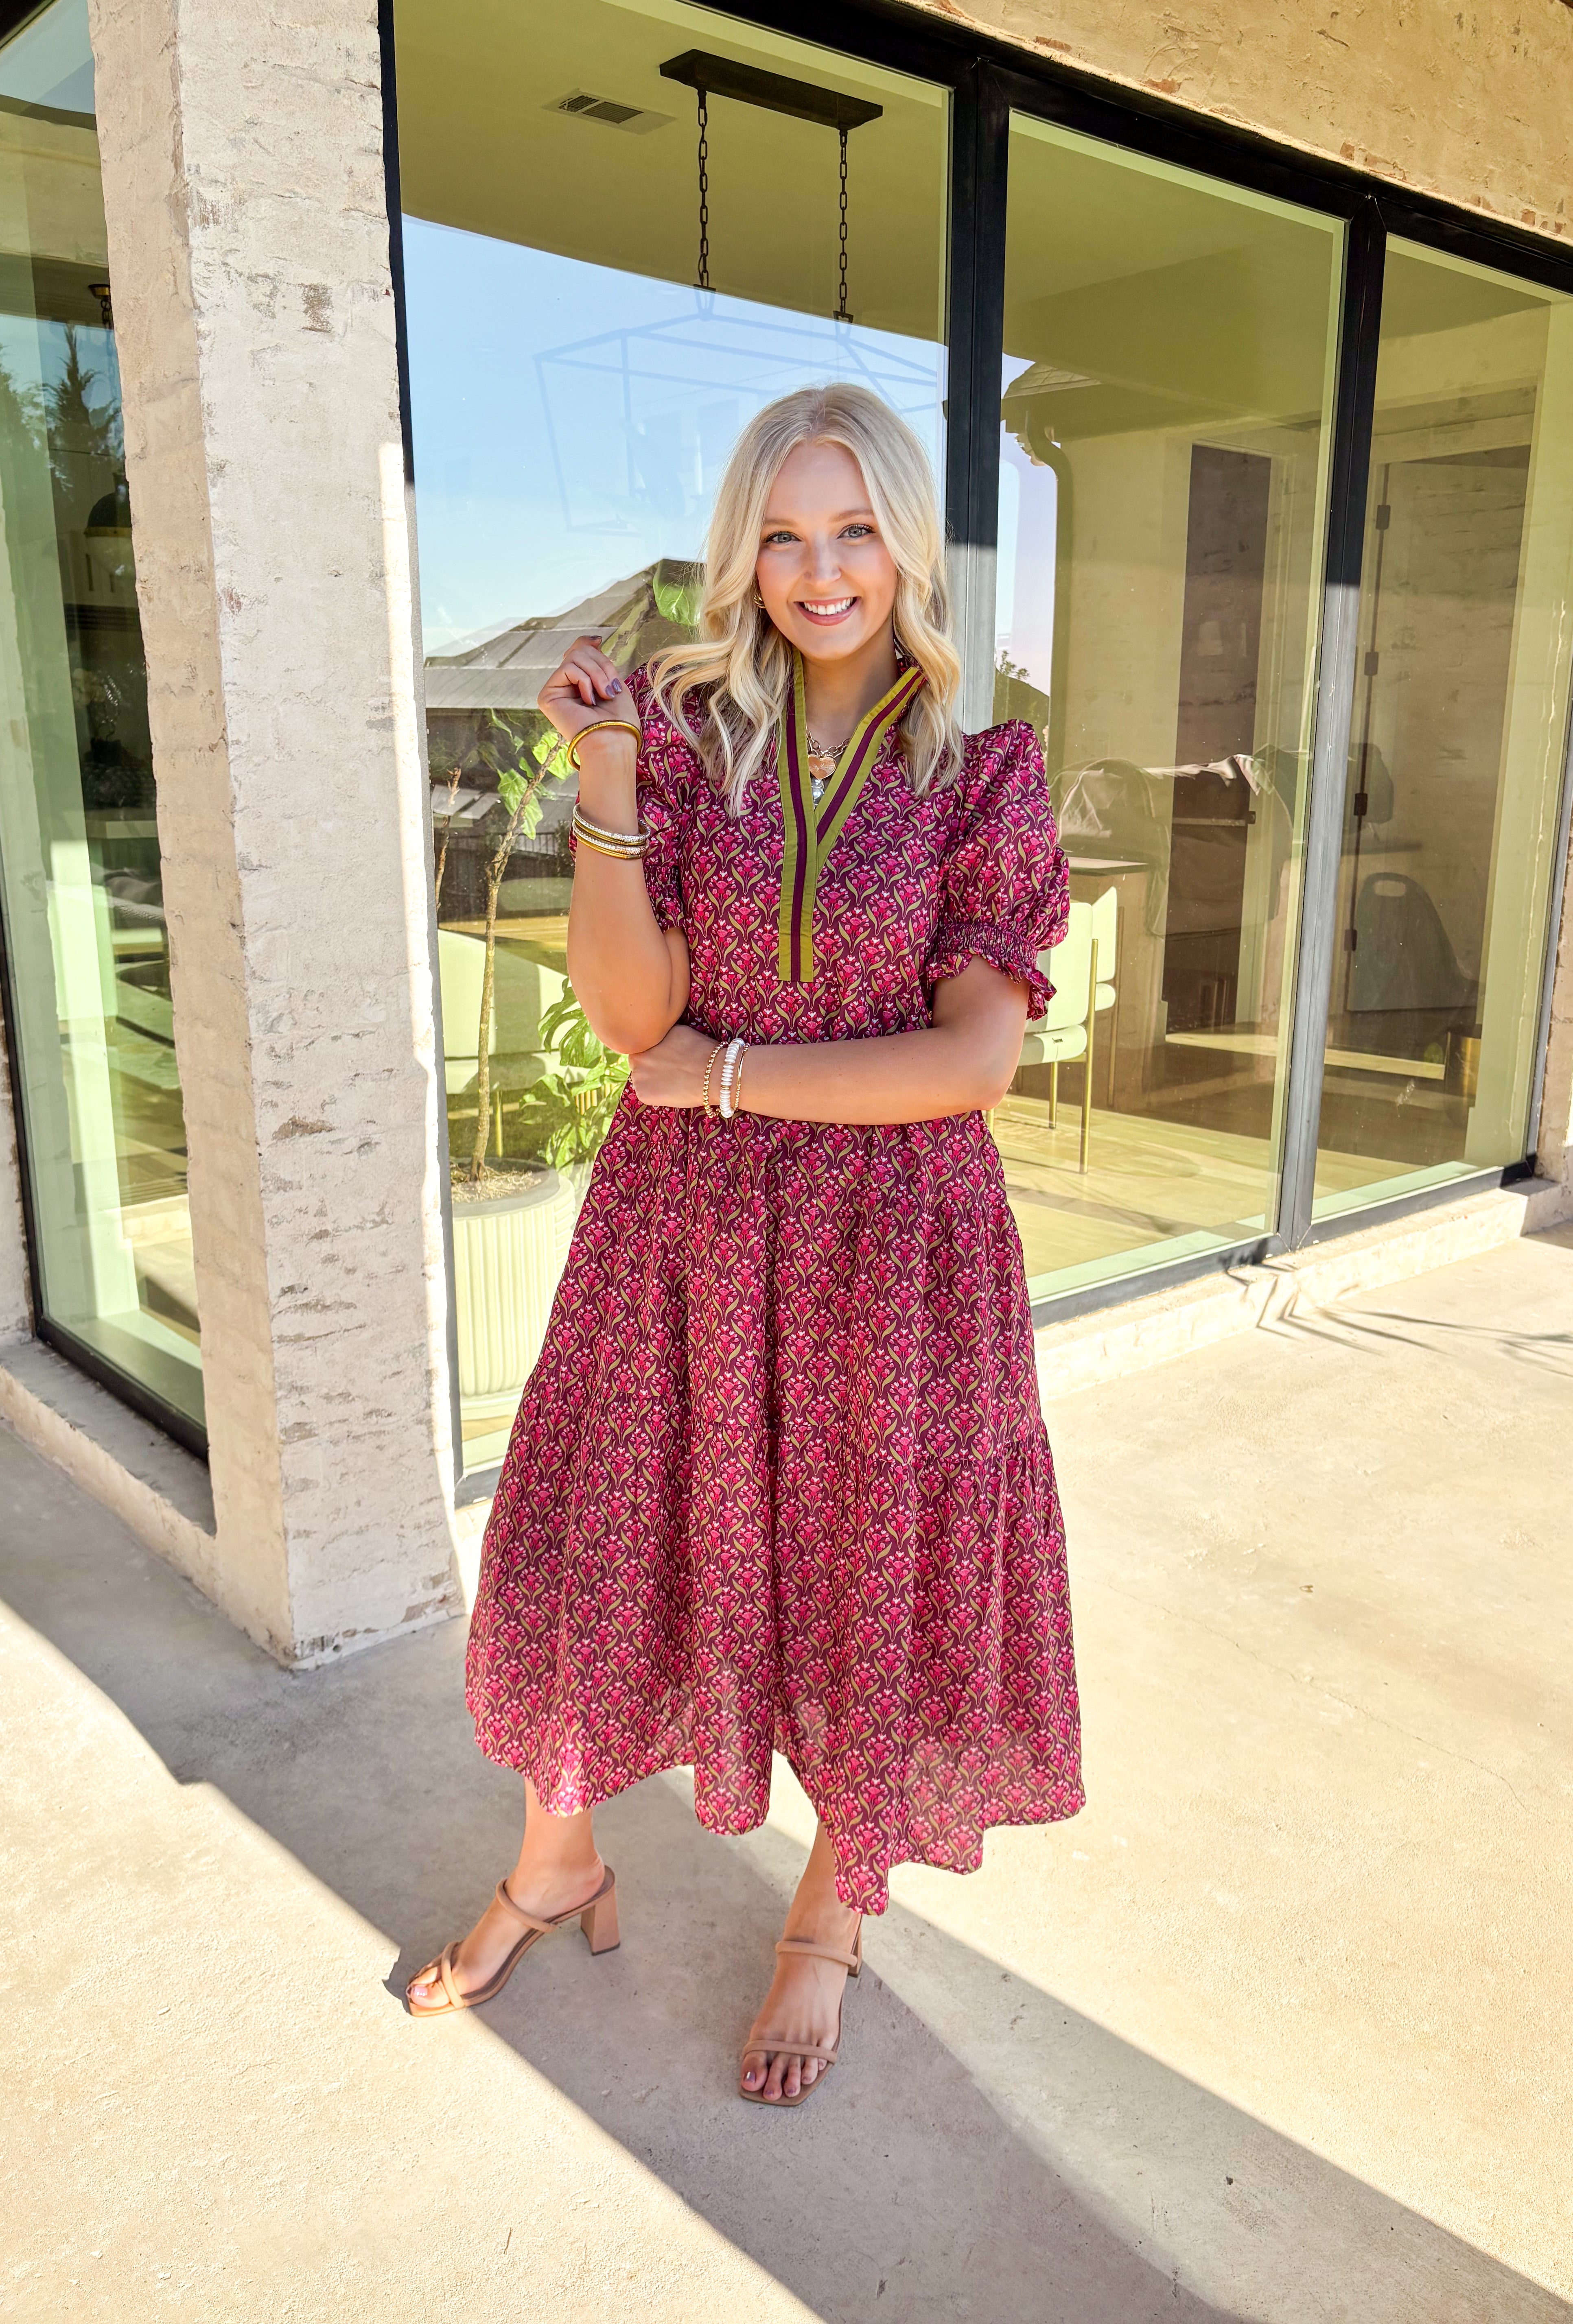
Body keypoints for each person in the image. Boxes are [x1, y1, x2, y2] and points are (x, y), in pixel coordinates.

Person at [407, 383, 1083, 2108]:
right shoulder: (686, 741)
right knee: (598, 1543)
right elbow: (637, 1015)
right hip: (680, 1233)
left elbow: (971, 1063)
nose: (820, 570)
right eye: (782, 535)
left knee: (869, 1582)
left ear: (909, 545)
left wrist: (728, 1076)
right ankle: (559, 1862)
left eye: (854, 529)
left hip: (897, 1256)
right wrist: (611, 773)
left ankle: (828, 1922)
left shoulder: (989, 769)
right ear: (742, 553)